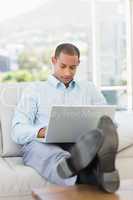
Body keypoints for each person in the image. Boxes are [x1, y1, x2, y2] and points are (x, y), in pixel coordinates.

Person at [11, 43, 120, 193]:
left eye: (72, 67)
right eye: (63, 66)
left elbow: (108, 120)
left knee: (102, 130)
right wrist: (42, 131)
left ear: (78, 64)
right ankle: (86, 168)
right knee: (38, 148)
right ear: (53, 60)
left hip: (79, 142)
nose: (68, 73)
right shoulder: (35, 90)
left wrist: (106, 128)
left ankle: (77, 165)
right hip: (44, 144)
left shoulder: (89, 89)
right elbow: (17, 130)